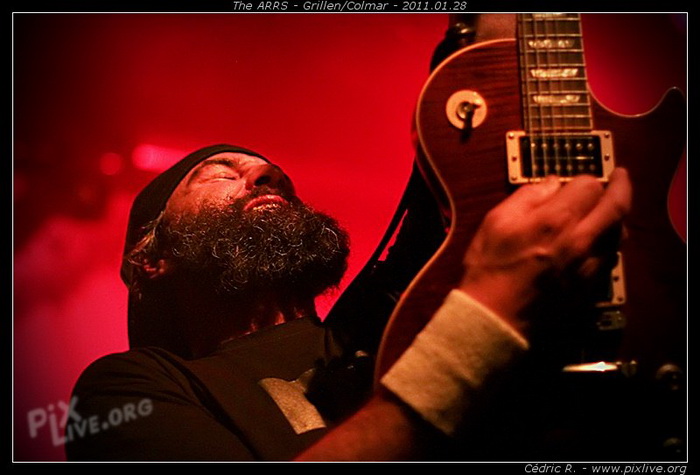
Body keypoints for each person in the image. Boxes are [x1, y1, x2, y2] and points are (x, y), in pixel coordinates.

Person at [65, 143, 632, 461]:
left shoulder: (391, 322)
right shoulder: (125, 391)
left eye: (275, 177)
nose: (264, 173)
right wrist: (482, 323)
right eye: (218, 173)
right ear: (152, 258)